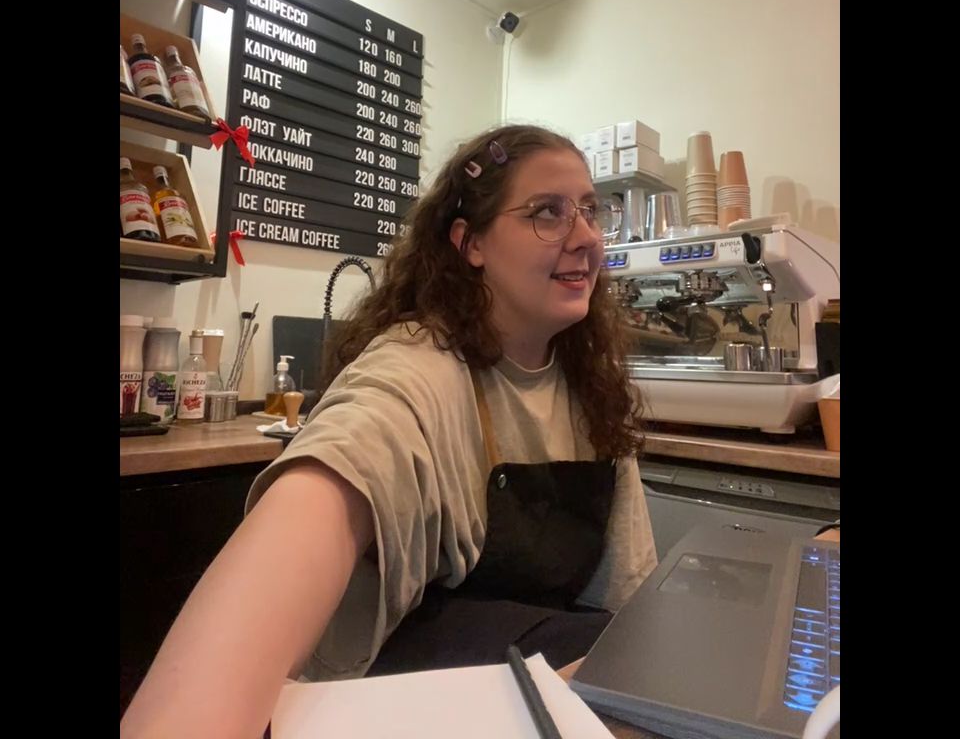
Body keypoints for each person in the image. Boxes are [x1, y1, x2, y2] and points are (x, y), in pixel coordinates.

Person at [121, 124, 660, 739]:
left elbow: (629, 609)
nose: (586, 237)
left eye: (589, 210)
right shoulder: (417, 369)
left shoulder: (593, 388)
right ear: (470, 243)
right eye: (547, 213)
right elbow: (334, 478)